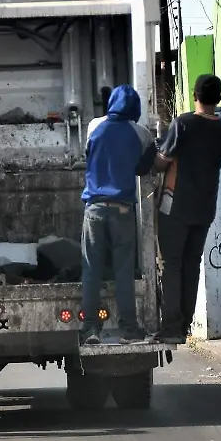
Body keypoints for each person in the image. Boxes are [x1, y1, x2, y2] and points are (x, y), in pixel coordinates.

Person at [153, 74, 221, 344]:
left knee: (172, 266)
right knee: (191, 266)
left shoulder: (183, 124)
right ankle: (185, 325)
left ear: (194, 94)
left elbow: (161, 162)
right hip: (204, 208)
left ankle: (171, 328)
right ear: (218, 98)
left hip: (175, 206)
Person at [79, 84, 157, 345]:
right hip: (123, 209)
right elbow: (144, 167)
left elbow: (88, 155)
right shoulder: (141, 133)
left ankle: (90, 328)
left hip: (95, 210)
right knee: (124, 271)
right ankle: (128, 329)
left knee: (92, 269)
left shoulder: (93, 126)